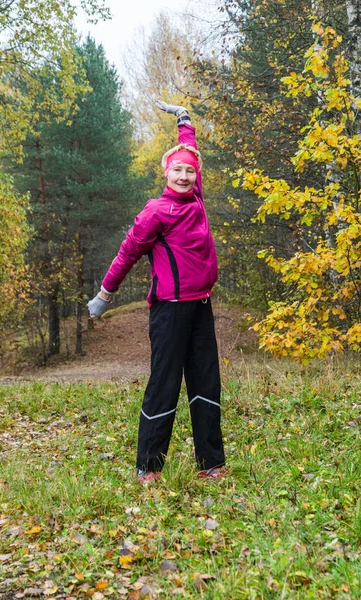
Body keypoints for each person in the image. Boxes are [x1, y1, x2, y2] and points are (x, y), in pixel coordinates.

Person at [88, 100, 226, 484]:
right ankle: (149, 467)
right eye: (176, 170)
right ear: (166, 173)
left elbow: (190, 146)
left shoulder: (195, 198)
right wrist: (105, 294)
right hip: (169, 312)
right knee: (164, 385)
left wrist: (184, 118)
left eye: (188, 171)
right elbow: (128, 252)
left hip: (200, 307)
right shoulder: (156, 211)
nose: (183, 176)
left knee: (205, 381)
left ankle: (211, 463)